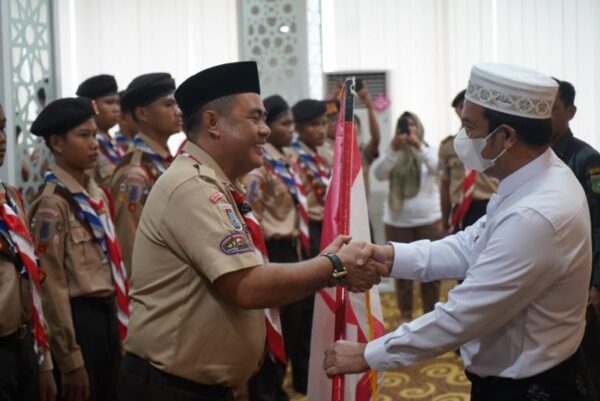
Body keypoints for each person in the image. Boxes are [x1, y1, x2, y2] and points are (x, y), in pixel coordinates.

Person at [324, 63, 598, 401]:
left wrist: (368, 355)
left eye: (469, 126)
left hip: (530, 388)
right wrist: (390, 257)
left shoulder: (536, 213)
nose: (462, 138)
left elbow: (464, 314)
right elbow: (471, 244)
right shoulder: (536, 177)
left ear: (506, 137)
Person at [117, 61, 384, 401]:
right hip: (170, 388)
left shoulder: (217, 183)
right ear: (213, 123)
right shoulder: (192, 187)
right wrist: (333, 265)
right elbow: (248, 287)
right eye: (254, 118)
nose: (266, 130)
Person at [29, 97, 129, 401]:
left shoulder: (94, 193)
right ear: (57, 143)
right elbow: (51, 287)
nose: (94, 144)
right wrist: (70, 359)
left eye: (95, 135)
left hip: (108, 314)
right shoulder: (52, 204)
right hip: (80, 323)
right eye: (83, 136)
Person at [246, 94, 307, 401]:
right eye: (285, 124)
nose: (291, 130)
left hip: (292, 247)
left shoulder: (285, 161)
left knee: (293, 326)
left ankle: (279, 387)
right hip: (273, 250)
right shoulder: (261, 168)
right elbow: (252, 215)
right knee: (274, 327)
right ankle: (266, 392)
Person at [0, 103, 56, 401]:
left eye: (2, 127)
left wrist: (44, 362)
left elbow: (30, 280)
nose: (2, 138)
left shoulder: (11, 198)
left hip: (23, 345)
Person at [551, 78, 600, 398]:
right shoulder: (535, 156)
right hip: (552, 275)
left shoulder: (588, 159)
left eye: (552, 109)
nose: (544, 115)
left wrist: (596, 282)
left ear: (570, 112)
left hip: (583, 277)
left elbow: (599, 224)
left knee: (589, 361)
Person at [110, 73, 181, 275]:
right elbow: (130, 241)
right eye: (168, 105)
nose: (178, 112)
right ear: (142, 113)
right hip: (158, 284)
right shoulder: (135, 173)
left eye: (177, 105)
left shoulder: (165, 162)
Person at [372, 111, 442, 321]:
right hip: (397, 222)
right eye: (404, 126)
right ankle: (405, 317)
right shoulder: (392, 152)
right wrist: (394, 149)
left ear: (418, 128)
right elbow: (379, 173)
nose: (408, 129)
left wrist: (417, 145)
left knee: (432, 272)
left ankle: (431, 317)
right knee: (401, 272)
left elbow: (438, 168)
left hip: (429, 221)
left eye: (412, 125)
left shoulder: (428, 150)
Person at [439, 90, 497, 234]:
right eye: (461, 106)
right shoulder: (447, 146)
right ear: (457, 111)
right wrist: (445, 219)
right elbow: (444, 184)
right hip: (460, 210)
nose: (465, 110)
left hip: (487, 205)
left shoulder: (494, 140)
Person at [76, 74, 122, 188]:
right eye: (109, 102)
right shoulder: (86, 145)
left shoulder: (112, 143)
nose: (116, 109)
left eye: (118, 103)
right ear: (92, 106)